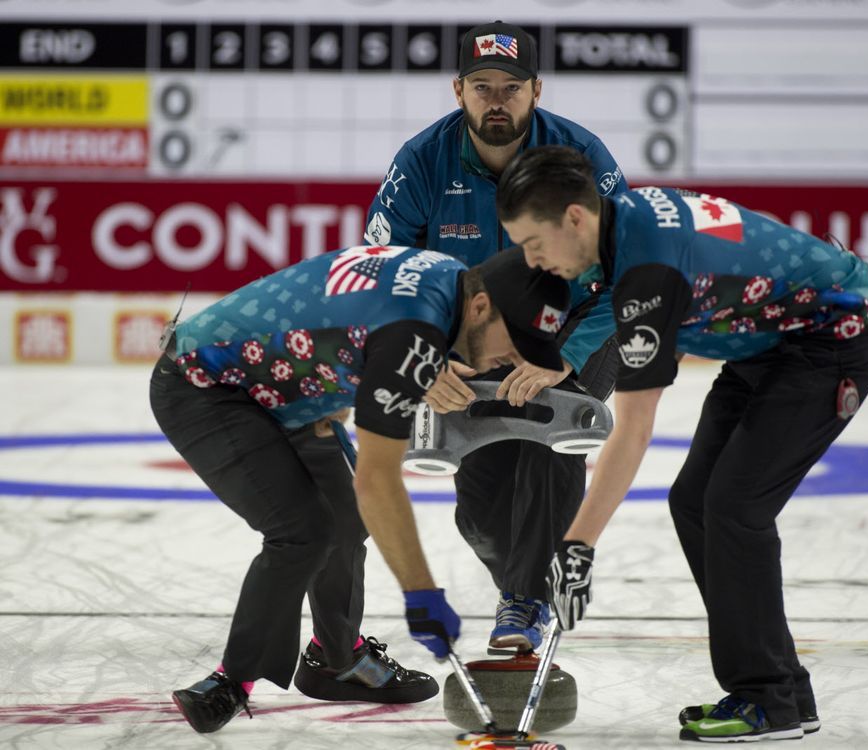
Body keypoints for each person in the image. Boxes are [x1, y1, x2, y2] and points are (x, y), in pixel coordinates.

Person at [497, 146, 868, 743]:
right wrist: (568, 358)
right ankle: (783, 687)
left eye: (534, 244)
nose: (536, 263)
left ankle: (769, 700)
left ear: (574, 217)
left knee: (736, 507)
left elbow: (632, 430)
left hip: (831, 340)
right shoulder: (620, 221)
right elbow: (622, 302)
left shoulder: (647, 278)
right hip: (767, 343)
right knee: (696, 501)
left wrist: (576, 547)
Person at [149, 245, 571, 733]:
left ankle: (337, 660)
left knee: (345, 520)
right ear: (480, 307)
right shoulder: (410, 338)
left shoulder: (449, 280)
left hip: (286, 387)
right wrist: (421, 594)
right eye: (515, 344)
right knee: (303, 532)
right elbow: (379, 480)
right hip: (204, 387)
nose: (513, 361)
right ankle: (230, 681)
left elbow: (350, 315)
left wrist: (408, 367)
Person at [364, 20, 627, 654]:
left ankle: (526, 600)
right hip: (468, 336)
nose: (497, 99)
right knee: (479, 507)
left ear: (537, 90)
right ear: (458, 91)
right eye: (482, 86)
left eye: (511, 87)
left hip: (575, 323)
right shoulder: (421, 161)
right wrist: (422, 359)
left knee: (545, 438)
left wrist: (564, 357)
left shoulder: (580, 155)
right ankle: (525, 580)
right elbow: (383, 274)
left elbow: (628, 270)